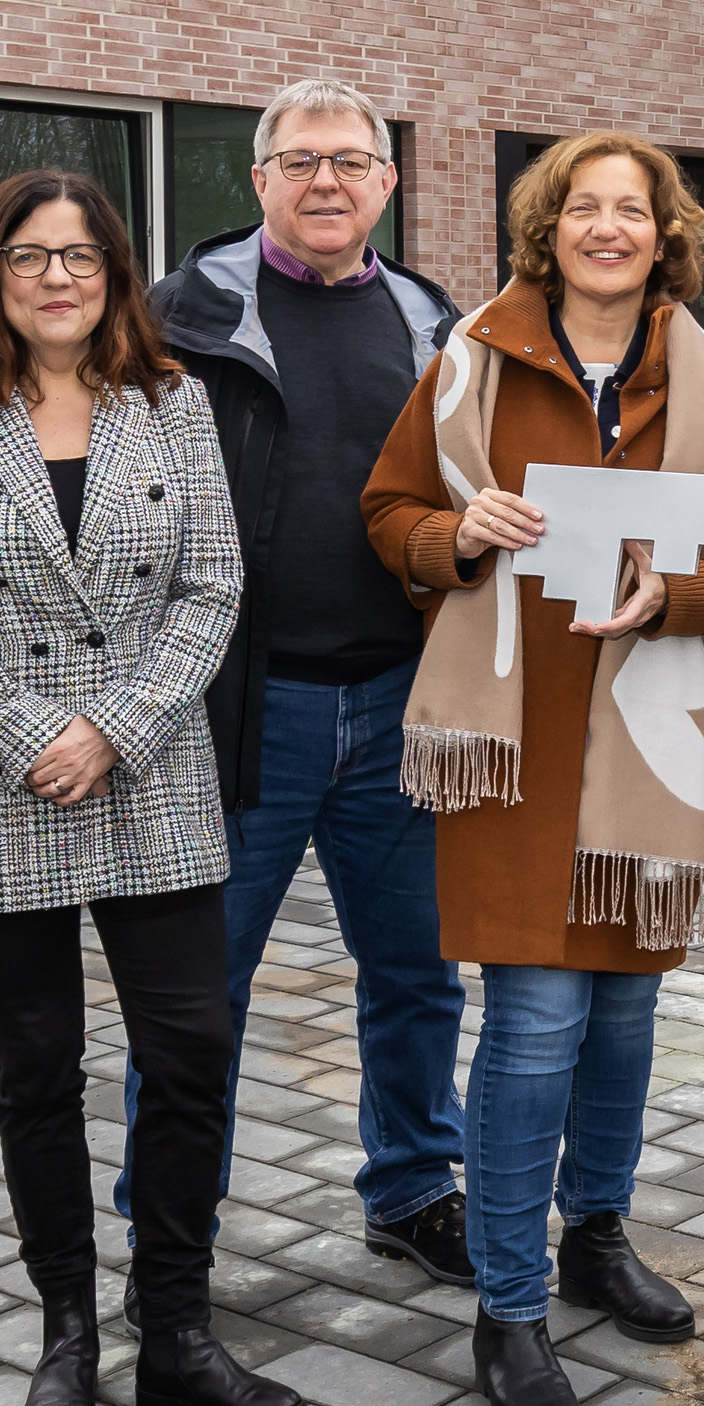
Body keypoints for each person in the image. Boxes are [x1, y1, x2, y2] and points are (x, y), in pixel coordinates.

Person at [364, 132, 704, 1406]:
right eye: (582, 208)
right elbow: (387, 509)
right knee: (537, 1022)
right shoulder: (469, 363)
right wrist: (453, 535)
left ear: (666, 235)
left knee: (620, 1021)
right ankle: (508, 1303)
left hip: (648, 741)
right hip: (513, 742)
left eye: (634, 211)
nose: (607, 227)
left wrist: (686, 593)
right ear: (544, 228)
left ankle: (594, 1231)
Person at [0, 170, 301, 1406]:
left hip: (150, 770)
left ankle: (171, 1329)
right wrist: (27, 732)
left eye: (80, 257)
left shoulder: (169, 406)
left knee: (187, 1048)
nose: (56, 278)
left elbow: (211, 588)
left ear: (116, 276)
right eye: (28, 257)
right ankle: (66, 1332)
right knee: (33, 1067)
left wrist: (114, 726)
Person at [139, 81, 473, 1289]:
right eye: (299, 161)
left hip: (399, 700)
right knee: (196, 992)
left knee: (417, 973)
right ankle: (169, 1234)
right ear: (259, 179)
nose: (324, 182)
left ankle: (413, 1191)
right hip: (238, 711)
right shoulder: (177, 321)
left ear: (386, 185)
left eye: (350, 162)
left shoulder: (440, 327)